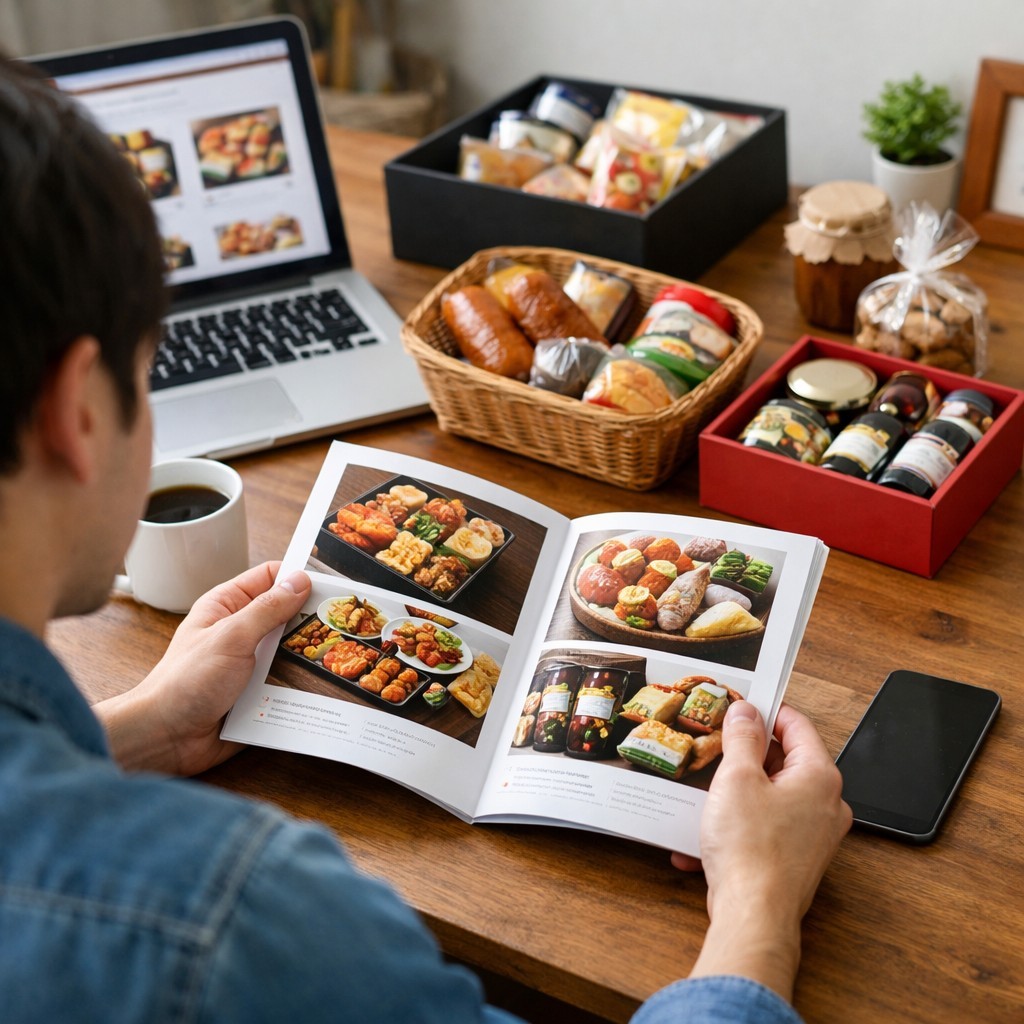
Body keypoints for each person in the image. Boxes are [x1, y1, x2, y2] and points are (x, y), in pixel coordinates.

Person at [0, 55, 851, 1023]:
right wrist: (758, 904)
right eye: (150, 378)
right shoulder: (235, 918)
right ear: (78, 411)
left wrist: (138, 727)